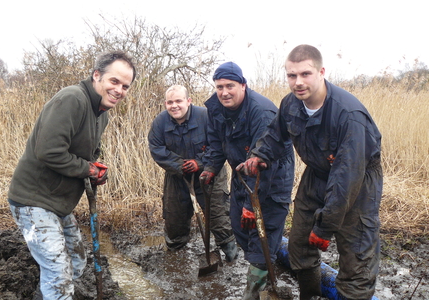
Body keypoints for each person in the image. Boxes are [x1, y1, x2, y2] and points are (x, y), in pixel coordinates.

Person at [237, 44, 383, 300]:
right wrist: (259, 155)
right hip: (316, 175)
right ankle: (310, 295)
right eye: (292, 75)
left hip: (358, 185)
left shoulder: (348, 115)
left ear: (321, 72)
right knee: (300, 249)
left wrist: (324, 228)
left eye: (305, 74)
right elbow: (274, 135)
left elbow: (346, 180)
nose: (298, 82)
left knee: (356, 264)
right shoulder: (291, 104)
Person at [7, 51, 136, 299]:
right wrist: (87, 169)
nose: (119, 90)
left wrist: (95, 169)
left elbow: (86, 154)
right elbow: (48, 151)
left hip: (58, 204)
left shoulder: (102, 113)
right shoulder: (72, 99)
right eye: (114, 81)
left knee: (77, 261)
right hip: (33, 202)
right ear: (96, 75)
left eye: (125, 86)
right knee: (58, 272)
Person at [200, 62, 295, 299]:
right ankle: (264, 265)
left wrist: (252, 205)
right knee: (240, 227)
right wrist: (211, 167)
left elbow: (264, 160)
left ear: (243, 85)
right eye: (219, 86)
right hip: (241, 176)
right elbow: (215, 143)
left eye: (230, 86)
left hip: (271, 177)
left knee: (264, 234)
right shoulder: (216, 108)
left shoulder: (261, 112)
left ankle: (253, 292)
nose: (224, 92)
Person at [148, 85, 237, 261]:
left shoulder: (205, 116)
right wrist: (180, 165)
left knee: (218, 216)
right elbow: (156, 149)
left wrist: (200, 162)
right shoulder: (160, 122)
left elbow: (219, 144)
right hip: (177, 175)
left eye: (179, 101)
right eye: (170, 102)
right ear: (165, 104)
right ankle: (176, 260)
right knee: (174, 217)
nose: (174, 106)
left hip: (210, 173)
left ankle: (231, 255)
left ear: (188, 101)